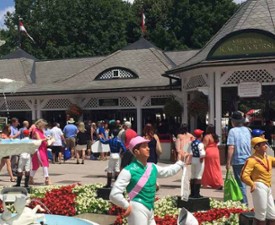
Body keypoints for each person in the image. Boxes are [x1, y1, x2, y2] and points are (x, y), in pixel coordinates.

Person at [109, 136, 189, 225]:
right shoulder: (128, 171)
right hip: (137, 207)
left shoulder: (152, 167)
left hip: (150, 208)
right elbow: (114, 194)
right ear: (136, 151)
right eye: (144, 146)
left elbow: (167, 171)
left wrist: (180, 162)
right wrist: (126, 206)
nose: (148, 148)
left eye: (148, 146)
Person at [241, 137, 275, 225]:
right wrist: (251, 184)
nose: (266, 146)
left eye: (265, 144)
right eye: (263, 144)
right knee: (261, 212)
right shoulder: (251, 160)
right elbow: (244, 175)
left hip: (268, 186)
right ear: (257, 147)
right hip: (259, 185)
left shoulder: (269, 158)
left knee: (272, 213)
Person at [226, 111, 251, 205]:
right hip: (248, 159)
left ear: (233, 121)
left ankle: (244, 204)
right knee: (248, 181)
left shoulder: (232, 131)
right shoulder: (247, 130)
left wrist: (228, 162)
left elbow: (231, 147)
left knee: (241, 184)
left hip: (238, 160)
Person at [201, 125, 223, 189]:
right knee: (216, 167)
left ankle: (208, 182)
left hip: (209, 152)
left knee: (208, 168)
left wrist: (201, 154)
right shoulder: (215, 137)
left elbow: (204, 146)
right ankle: (217, 182)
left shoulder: (207, 137)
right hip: (215, 151)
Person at [29, 119, 51, 185]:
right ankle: (47, 179)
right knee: (44, 163)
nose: (44, 127)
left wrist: (49, 140)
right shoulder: (36, 131)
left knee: (36, 165)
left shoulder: (41, 131)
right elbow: (39, 140)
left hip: (43, 148)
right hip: (38, 149)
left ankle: (30, 178)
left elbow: (44, 139)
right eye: (43, 125)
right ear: (40, 125)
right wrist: (46, 139)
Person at [188, 129, 206, 198]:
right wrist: (202, 157)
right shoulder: (200, 144)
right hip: (199, 160)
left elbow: (190, 151)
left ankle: (192, 193)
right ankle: (196, 193)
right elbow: (202, 153)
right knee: (198, 176)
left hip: (193, 159)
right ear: (200, 135)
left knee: (193, 175)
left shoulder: (192, 143)